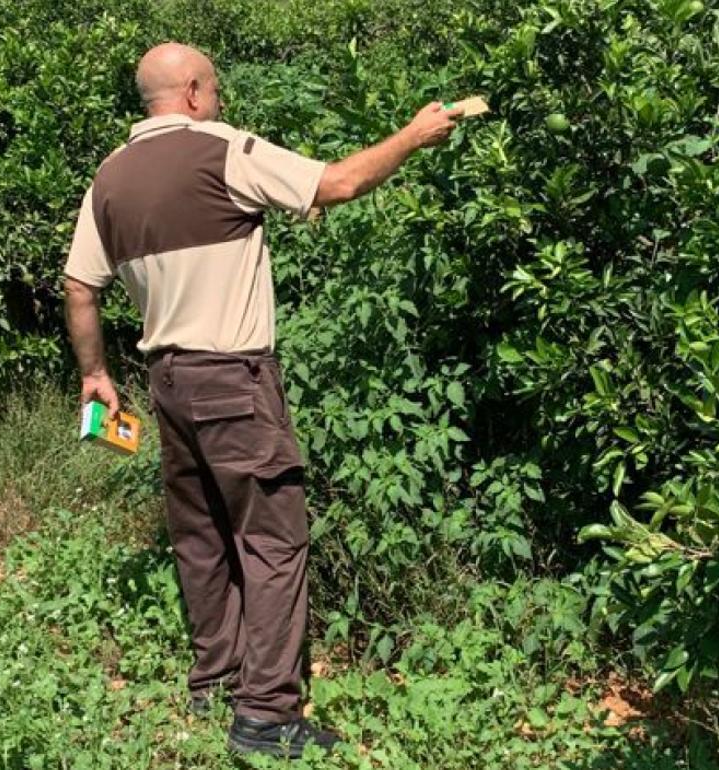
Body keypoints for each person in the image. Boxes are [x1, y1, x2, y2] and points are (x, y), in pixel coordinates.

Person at [63, 42, 461, 758]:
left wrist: (95, 372)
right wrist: (413, 134)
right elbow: (337, 184)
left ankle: (215, 680)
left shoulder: (110, 179)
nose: (217, 99)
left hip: (168, 383)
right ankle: (267, 715)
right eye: (212, 87)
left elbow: (79, 286)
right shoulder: (220, 150)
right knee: (274, 539)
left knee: (202, 535)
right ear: (189, 92)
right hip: (233, 378)